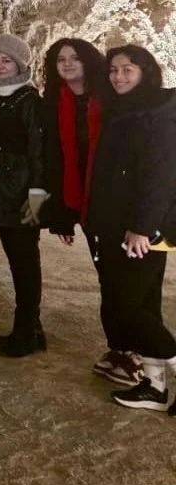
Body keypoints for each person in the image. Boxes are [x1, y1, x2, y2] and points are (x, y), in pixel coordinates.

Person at [86, 45, 176, 412]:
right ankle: (154, 387)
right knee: (143, 306)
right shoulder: (121, 109)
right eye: (113, 70)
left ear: (145, 72)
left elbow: (160, 178)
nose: (118, 76)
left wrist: (141, 227)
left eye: (128, 69)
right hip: (117, 225)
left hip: (141, 231)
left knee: (126, 307)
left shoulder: (157, 112)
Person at [38, 40, 124, 381]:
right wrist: (62, 215)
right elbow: (54, 159)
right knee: (107, 276)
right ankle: (119, 348)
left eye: (75, 57)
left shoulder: (110, 97)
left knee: (123, 279)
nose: (68, 63)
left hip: (115, 201)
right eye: (61, 59)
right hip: (86, 205)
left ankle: (134, 350)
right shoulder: (55, 101)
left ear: (88, 61)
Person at [0, 34, 47, 357]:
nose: (0, 66)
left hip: (22, 193)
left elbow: (39, 151)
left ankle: (25, 331)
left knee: (24, 263)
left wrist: (37, 194)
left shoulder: (29, 100)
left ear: (20, 64)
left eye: (7, 61)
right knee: (19, 261)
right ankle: (32, 328)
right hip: (1, 189)